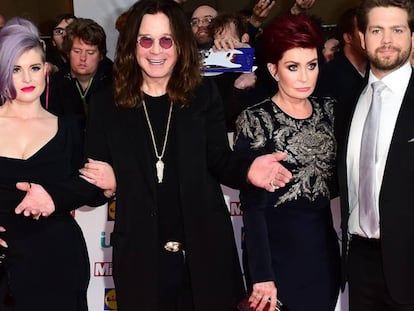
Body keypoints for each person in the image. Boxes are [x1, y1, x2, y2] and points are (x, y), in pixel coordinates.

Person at [13, 1, 292, 310]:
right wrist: (55, 197)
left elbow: (220, 160)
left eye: (166, 40)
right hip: (141, 259)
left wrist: (248, 169)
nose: (156, 50)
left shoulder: (202, 95)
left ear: (180, 44)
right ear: (133, 45)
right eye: (146, 39)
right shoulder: (108, 104)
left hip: (206, 253)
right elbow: (93, 180)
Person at [234, 13, 340, 311]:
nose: (305, 77)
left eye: (312, 65)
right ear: (274, 69)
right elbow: (252, 206)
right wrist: (262, 274)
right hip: (275, 257)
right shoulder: (256, 119)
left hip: (323, 255)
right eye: (293, 67)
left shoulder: (329, 112)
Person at [0, 21, 105, 311]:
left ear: (46, 68)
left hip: (59, 259)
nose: (26, 78)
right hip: (4, 265)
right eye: (15, 69)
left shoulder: (72, 128)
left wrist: (110, 182)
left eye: (34, 68)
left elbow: (91, 189)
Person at [337, 0, 414, 310]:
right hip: (359, 263)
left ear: (412, 37)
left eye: (397, 30)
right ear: (361, 38)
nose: (386, 40)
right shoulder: (348, 101)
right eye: (377, 30)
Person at [314, 7, 368, 142]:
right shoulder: (329, 75)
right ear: (348, 38)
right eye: (363, 30)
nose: (371, 36)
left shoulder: (377, 71)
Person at [45, 17, 113, 122]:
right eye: (77, 51)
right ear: (68, 52)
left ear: (100, 55)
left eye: (90, 52)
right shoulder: (55, 84)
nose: (83, 58)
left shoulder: (114, 82)